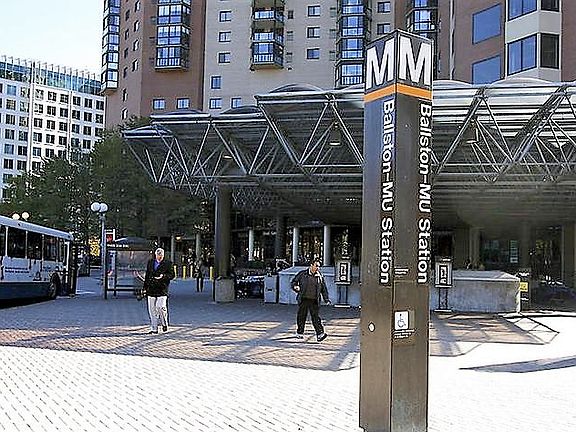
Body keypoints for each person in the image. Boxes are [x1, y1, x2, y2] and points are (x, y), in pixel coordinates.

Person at [291, 259, 330, 342]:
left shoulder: (320, 276)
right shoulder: (302, 274)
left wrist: (326, 299)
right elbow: (294, 282)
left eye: (319, 266)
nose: (318, 268)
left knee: (316, 318)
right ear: (311, 265)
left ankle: (320, 334)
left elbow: (323, 289)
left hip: (314, 300)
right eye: (316, 266)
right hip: (304, 299)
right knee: (301, 316)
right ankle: (300, 332)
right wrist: (295, 287)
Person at [143, 248, 175, 334]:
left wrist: (163, 276)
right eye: (158, 255)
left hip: (162, 289)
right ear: (155, 254)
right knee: (152, 310)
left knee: (160, 306)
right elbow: (147, 274)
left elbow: (172, 275)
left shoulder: (168, 263)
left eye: (161, 255)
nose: (159, 257)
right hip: (151, 288)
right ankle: (154, 328)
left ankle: (164, 323)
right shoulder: (150, 262)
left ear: (163, 255)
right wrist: (145, 287)